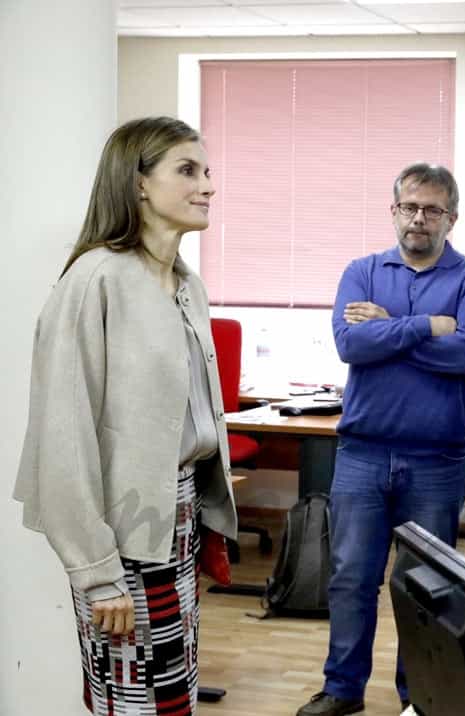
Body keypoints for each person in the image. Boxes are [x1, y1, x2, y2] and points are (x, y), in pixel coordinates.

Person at [14, 116, 239, 715]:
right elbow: (62, 441)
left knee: (174, 699)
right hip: (121, 531)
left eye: (208, 170)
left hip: (178, 518)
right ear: (138, 184)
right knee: (135, 704)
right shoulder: (95, 280)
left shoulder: (187, 285)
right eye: (187, 171)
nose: (208, 186)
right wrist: (97, 573)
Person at [298, 164, 465, 716]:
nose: (419, 218)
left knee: (426, 590)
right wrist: (424, 324)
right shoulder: (361, 271)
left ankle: (423, 699)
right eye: (409, 207)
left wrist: (387, 325)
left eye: (432, 209)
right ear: (393, 211)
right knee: (350, 579)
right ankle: (343, 691)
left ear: (451, 218)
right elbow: (350, 345)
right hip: (362, 454)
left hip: (436, 459)